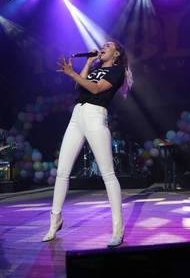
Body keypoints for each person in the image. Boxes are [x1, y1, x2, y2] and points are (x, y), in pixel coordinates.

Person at [42, 40, 133, 247]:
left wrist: (71, 72)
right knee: (62, 172)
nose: (103, 47)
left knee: (108, 174)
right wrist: (88, 63)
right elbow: (79, 85)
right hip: (77, 116)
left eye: (108, 46)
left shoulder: (117, 71)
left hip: (95, 115)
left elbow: (96, 89)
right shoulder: (96, 68)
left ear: (117, 54)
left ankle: (118, 230)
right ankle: (55, 221)